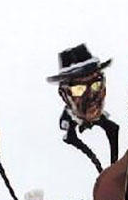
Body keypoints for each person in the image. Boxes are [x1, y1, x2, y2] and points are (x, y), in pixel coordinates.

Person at [47, 43, 119, 173]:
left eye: (96, 85)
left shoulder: (115, 128)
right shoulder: (54, 144)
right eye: (79, 89)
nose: (91, 95)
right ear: (64, 95)